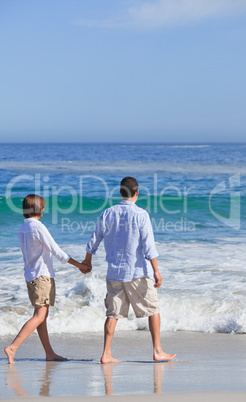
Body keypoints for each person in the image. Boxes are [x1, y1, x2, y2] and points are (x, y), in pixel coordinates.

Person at [82, 177, 176, 363]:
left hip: (114, 273)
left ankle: (106, 354)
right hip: (137, 272)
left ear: (120, 193)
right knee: (153, 310)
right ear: (137, 193)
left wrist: (87, 261)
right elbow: (148, 247)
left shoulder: (107, 213)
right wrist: (156, 271)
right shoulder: (141, 215)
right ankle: (157, 351)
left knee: (112, 313)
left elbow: (94, 239)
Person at [4, 194, 91, 364]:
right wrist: (80, 265)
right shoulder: (38, 227)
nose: (44, 209)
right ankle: (13, 347)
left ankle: (49, 353)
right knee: (39, 316)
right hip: (42, 277)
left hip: (30, 276)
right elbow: (57, 252)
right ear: (39, 209)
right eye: (43, 207)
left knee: (41, 315)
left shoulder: (23, 228)